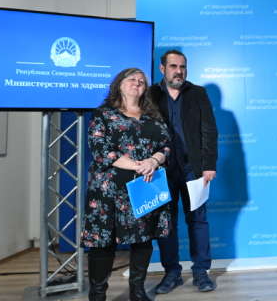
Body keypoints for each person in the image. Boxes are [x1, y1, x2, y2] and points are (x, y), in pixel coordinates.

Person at [82, 68, 171, 301]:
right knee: (103, 241)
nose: (137, 83)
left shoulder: (153, 116)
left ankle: (137, 292)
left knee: (143, 238)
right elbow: (100, 150)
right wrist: (137, 166)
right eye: (131, 79)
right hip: (108, 189)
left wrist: (153, 161)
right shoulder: (103, 113)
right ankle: (97, 295)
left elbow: (166, 146)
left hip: (144, 185)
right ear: (119, 85)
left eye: (141, 81)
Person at [147, 50, 219, 294]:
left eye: (183, 67)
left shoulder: (198, 93)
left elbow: (209, 129)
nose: (179, 71)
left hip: (193, 169)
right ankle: (172, 273)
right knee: (166, 224)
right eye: (173, 66)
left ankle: (201, 272)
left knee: (198, 220)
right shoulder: (150, 95)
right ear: (162, 69)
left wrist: (209, 165)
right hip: (161, 170)